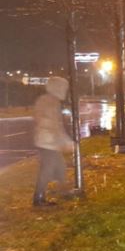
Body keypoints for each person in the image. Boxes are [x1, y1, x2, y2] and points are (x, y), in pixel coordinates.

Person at [32, 77, 75, 207]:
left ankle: (64, 191)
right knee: (47, 170)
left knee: (60, 166)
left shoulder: (48, 100)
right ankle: (39, 198)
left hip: (48, 142)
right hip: (47, 142)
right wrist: (65, 142)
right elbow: (54, 124)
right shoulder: (50, 102)